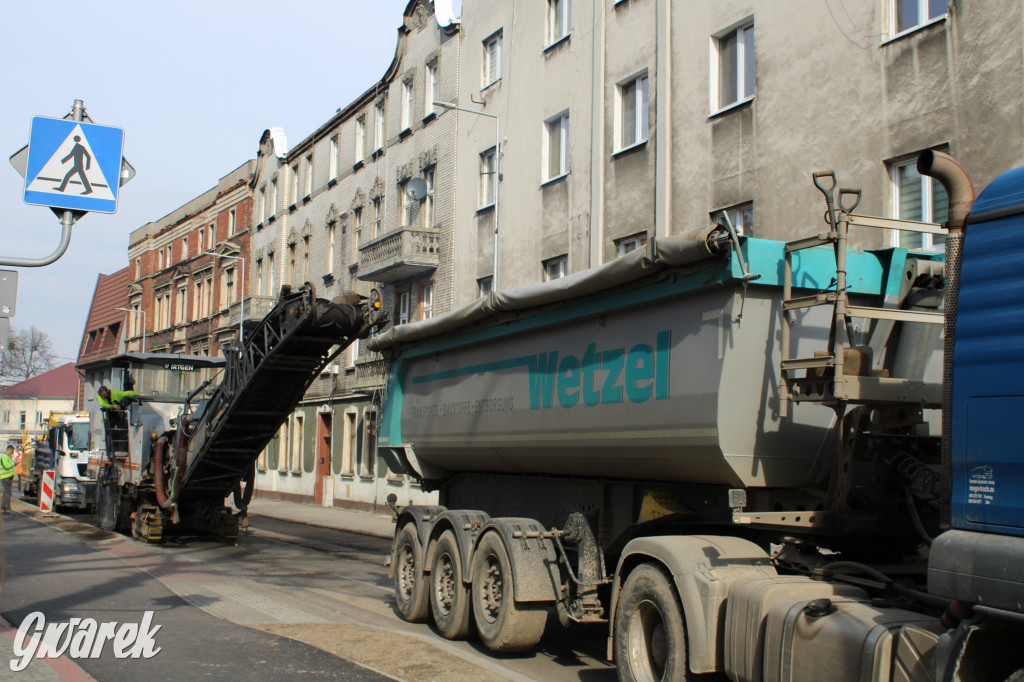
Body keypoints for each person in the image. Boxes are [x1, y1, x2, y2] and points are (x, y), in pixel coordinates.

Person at [1, 445, 16, 513]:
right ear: (9, 450)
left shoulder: (6, 457)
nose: (12, 453)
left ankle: (3, 507)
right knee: (7, 493)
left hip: (7, 477)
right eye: (12, 451)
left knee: (5, 493)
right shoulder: (4, 457)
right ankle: (7, 508)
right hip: (5, 477)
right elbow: (7, 466)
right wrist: (14, 463)